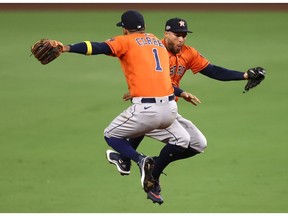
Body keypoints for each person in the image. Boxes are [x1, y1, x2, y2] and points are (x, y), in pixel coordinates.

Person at [106, 17, 265, 204]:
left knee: (199, 144)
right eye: (177, 35)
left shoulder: (188, 53)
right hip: (153, 105)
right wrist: (180, 92)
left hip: (167, 109)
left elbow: (213, 71)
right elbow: (155, 81)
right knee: (160, 129)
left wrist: (244, 75)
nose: (181, 39)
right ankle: (151, 177)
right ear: (166, 34)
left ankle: (130, 160)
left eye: (184, 35)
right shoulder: (153, 49)